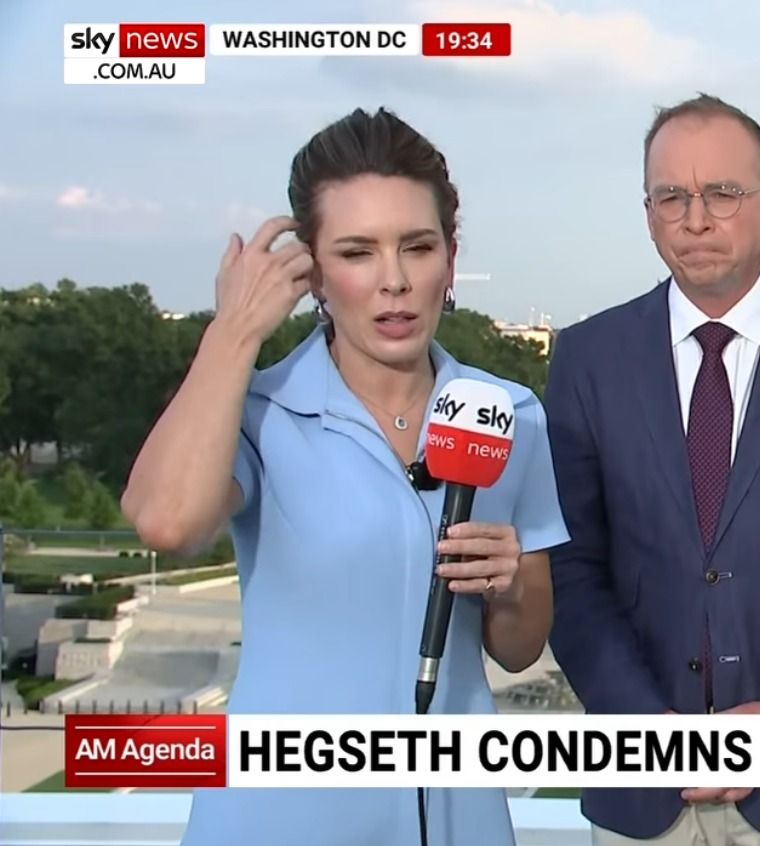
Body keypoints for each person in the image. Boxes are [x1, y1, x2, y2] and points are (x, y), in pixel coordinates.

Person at [121, 106, 568, 846]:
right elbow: (166, 523)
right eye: (357, 252)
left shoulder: (509, 414)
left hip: (456, 818)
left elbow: (519, 648)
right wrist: (234, 332)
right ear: (314, 274)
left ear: (450, 260)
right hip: (279, 820)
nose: (394, 281)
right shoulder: (258, 412)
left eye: (417, 247)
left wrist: (510, 583)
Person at [544, 93, 760, 845]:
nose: (695, 219)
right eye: (671, 197)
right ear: (647, 213)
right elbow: (569, 570)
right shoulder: (586, 359)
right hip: (641, 797)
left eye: (723, 193)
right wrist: (647, 730)